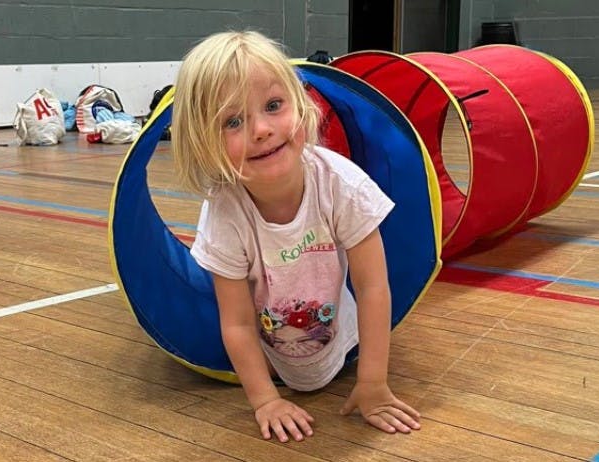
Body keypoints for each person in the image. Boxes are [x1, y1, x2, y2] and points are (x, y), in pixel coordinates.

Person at [171, 30, 421, 443]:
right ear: (203, 143)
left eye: (273, 105)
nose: (261, 129)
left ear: (301, 105)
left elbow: (373, 288)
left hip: (345, 344)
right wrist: (265, 400)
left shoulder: (341, 185)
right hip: (270, 356)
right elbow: (236, 322)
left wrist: (373, 384)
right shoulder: (225, 212)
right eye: (233, 121)